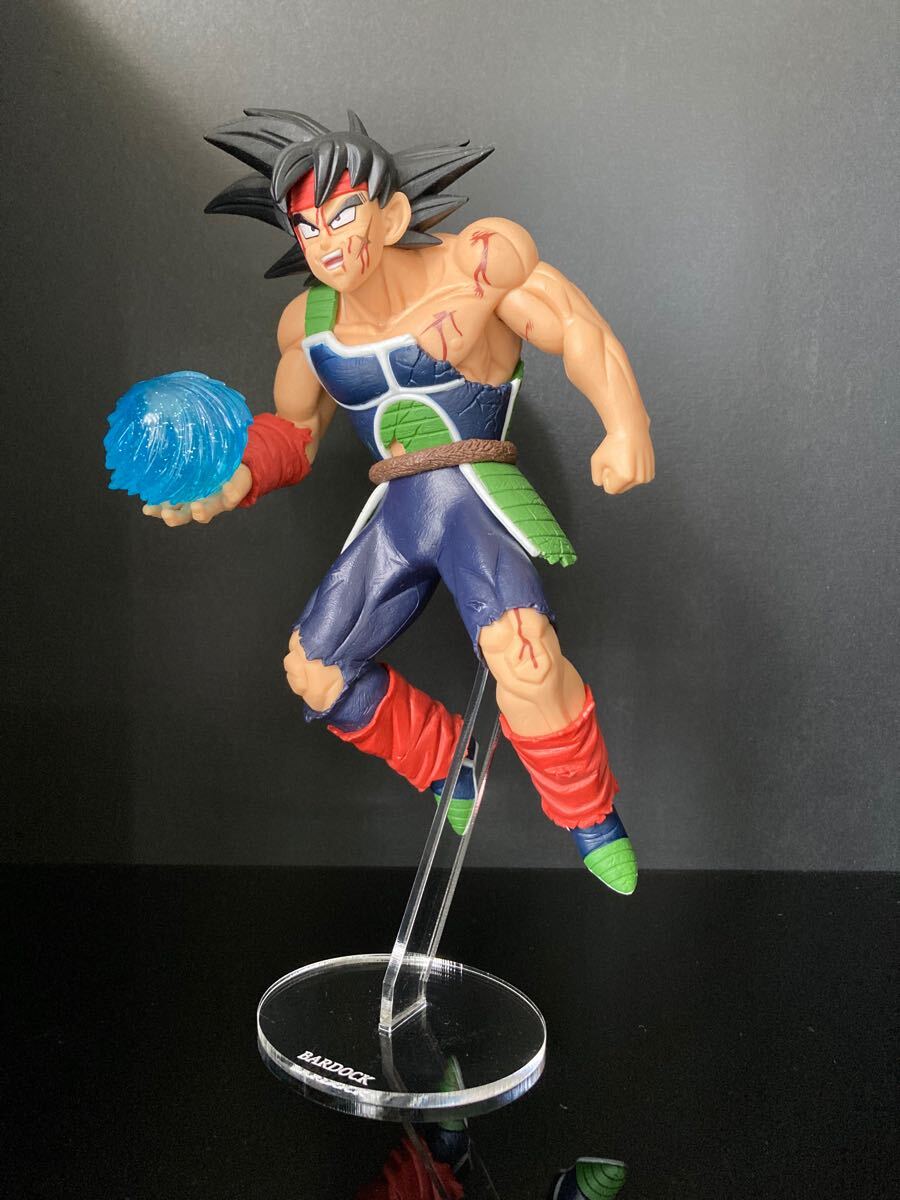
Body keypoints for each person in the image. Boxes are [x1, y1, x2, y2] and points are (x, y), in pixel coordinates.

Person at [143, 109, 655, 894]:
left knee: (523, 655)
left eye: (343, 212)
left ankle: (591, 817)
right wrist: (232, 478)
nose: (325, 238)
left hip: (474, 492)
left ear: (391, 215)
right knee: (316, 672)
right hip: (398, 513)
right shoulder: (308, 324)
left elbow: (574, 326)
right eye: (306, 224)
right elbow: (295, 432)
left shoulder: (476, 263)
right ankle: (450, 763)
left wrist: (625, 425)